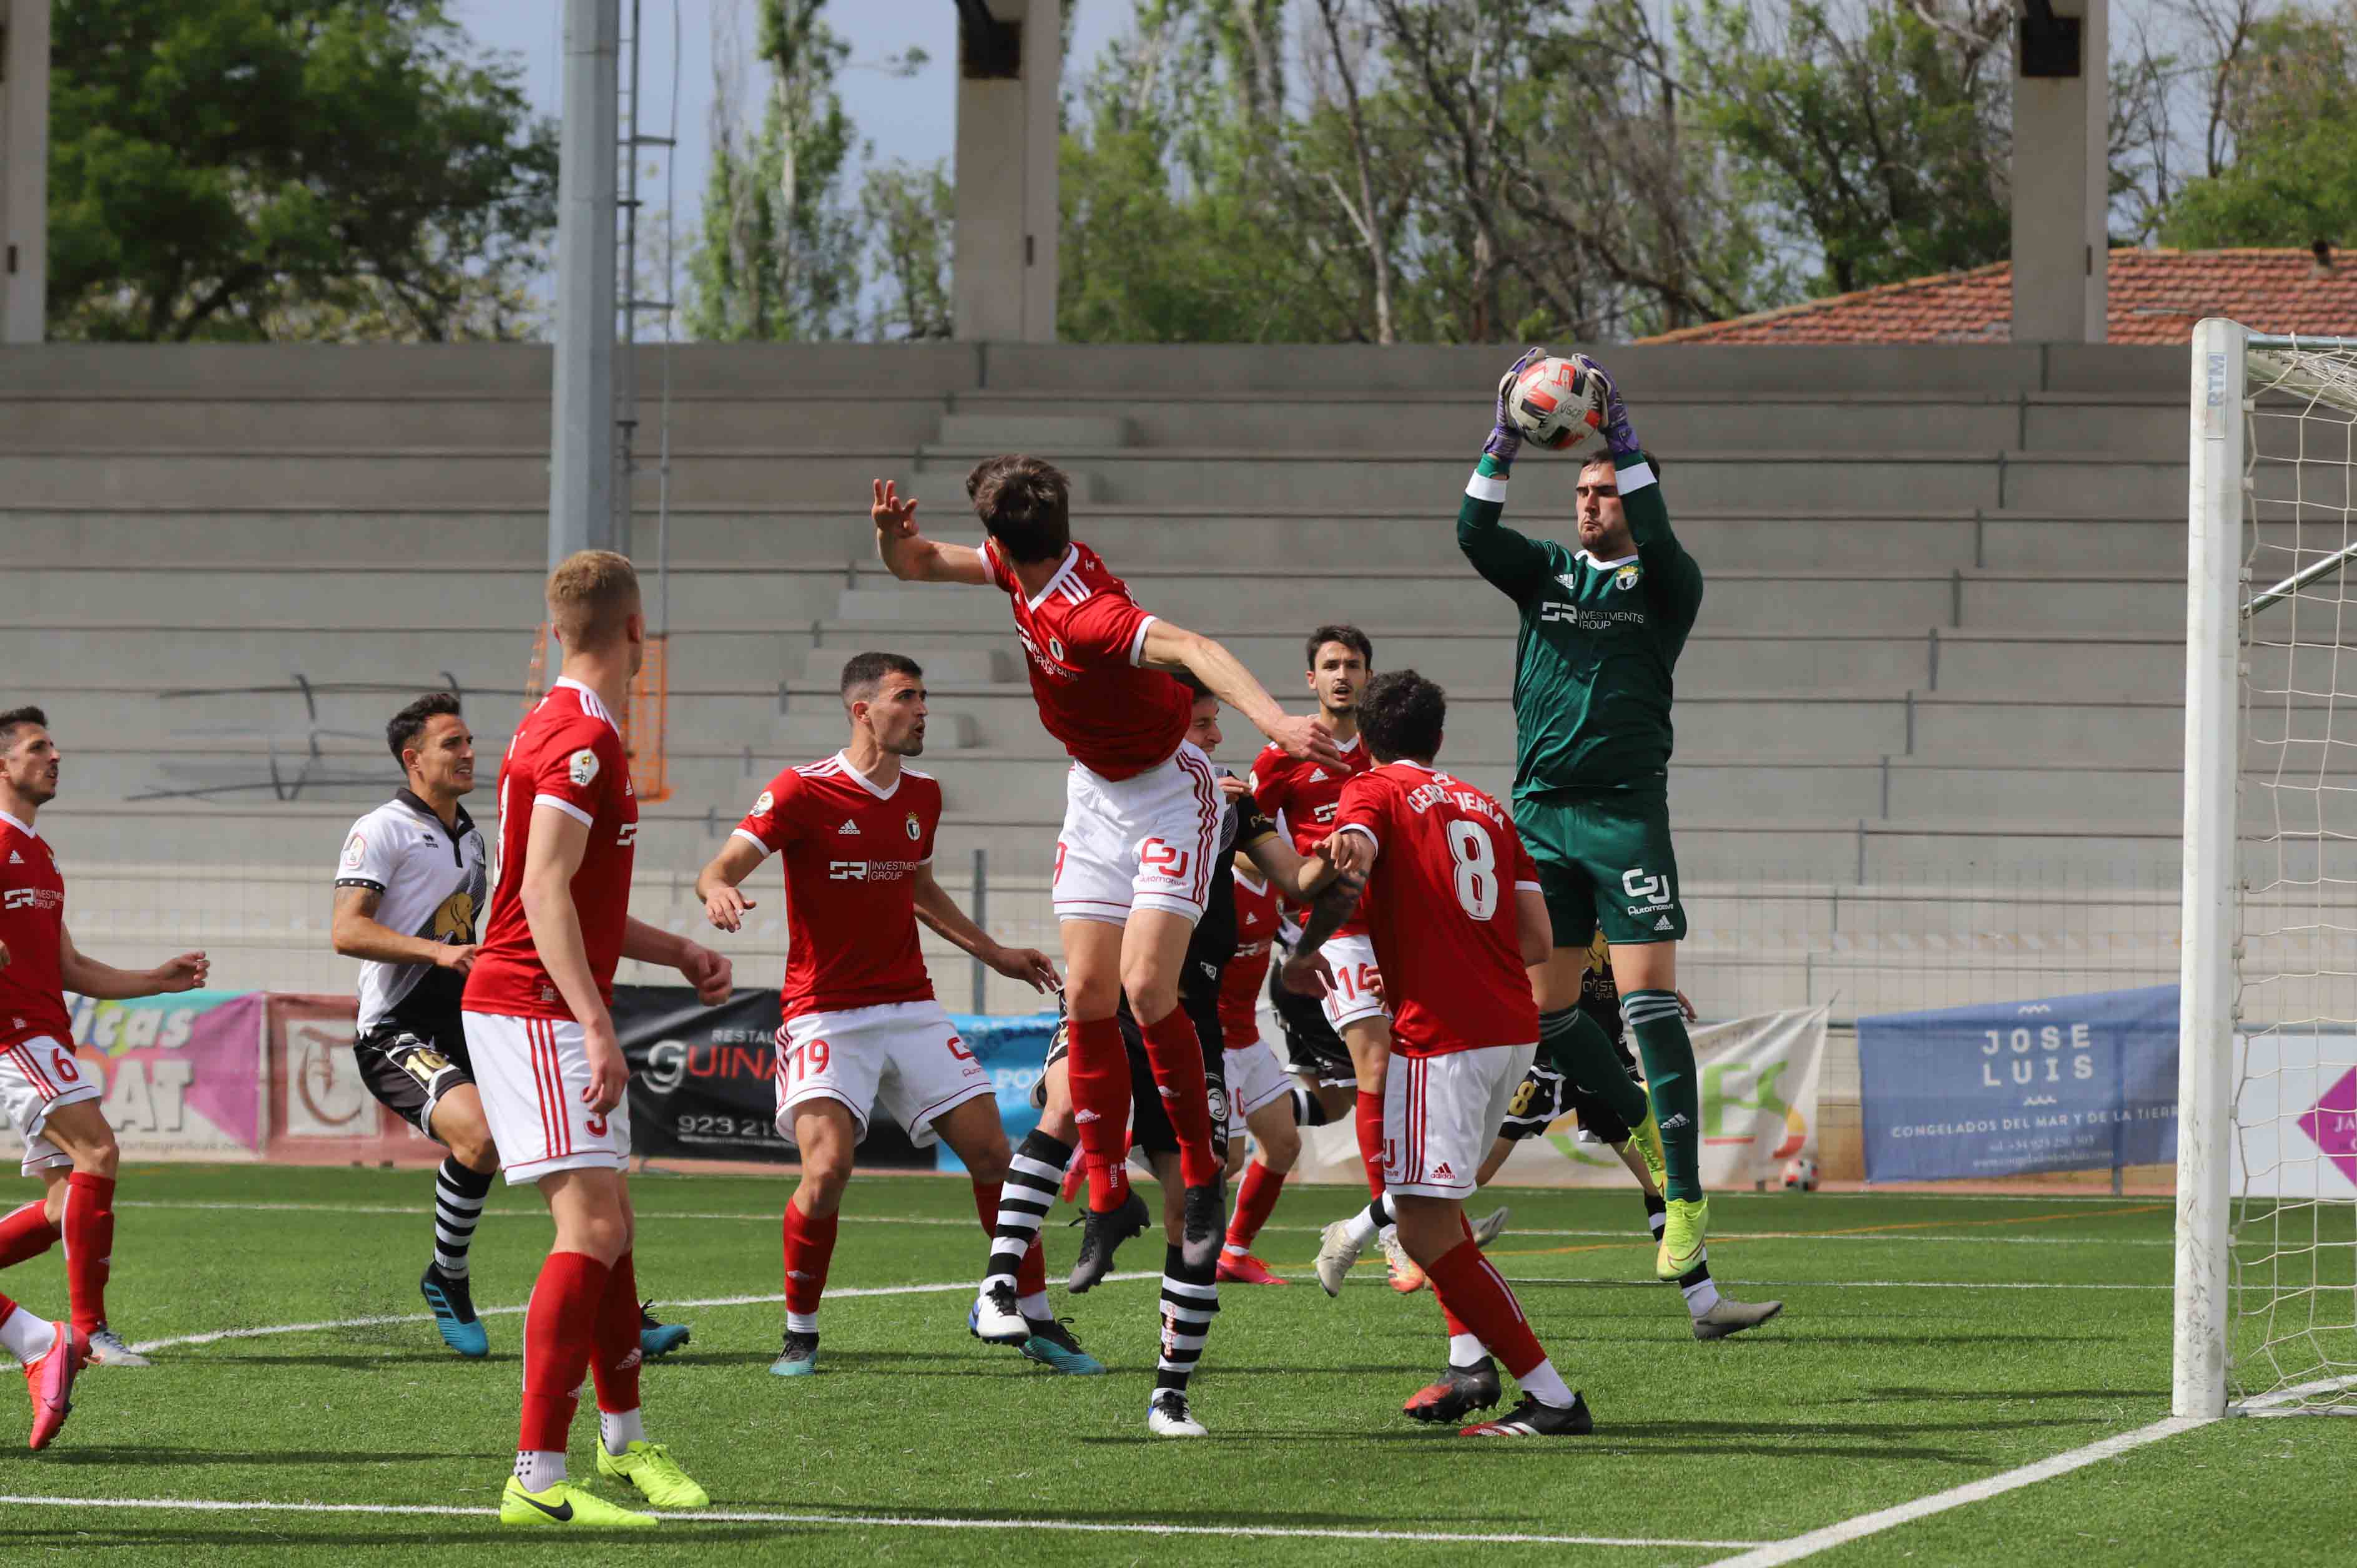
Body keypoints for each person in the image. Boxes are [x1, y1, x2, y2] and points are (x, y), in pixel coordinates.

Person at [870, 459, 1341, 1434]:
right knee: (1088, 1000)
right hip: (1095, 794)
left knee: (1143, 988)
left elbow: (1195, 645)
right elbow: (914, 564)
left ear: (999, 529)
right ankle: (1104, 1200)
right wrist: (889, 537)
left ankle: (1201, 1191)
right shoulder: (1013, 567)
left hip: (1167, 793)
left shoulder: (1086, 615)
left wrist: (1273, 725)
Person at [692, 651, 1079, 1379]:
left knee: (997, 1156)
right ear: (862, 709)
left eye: (926, 697)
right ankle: (800, 1332)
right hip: (824, 1014)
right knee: (829, 1167)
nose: (924, 709)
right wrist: (717, 891)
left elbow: (918, 888)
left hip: (910, 1005)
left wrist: (992, 951)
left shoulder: (923, 795)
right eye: (908, 697)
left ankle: (1035, 1316)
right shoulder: (801, 790)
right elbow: (718, 869)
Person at [975, 679, 1331, 1434]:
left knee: (1189, 1205)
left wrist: (1342, 848)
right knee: (1067, 1098)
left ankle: (1170, 1391)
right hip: (1113, 1006)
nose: (1206, 736)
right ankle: (1002, 1282)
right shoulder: (1122, 789)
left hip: (1188, 1013)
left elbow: (1300, 882)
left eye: (1211, 724)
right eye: (1194, 723)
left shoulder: (1230, 807)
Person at [461, 552, 734, 1528]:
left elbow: (570, 895)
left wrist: (673, 951)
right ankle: (535, 1479)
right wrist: (592, 1021)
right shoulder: (581, 740)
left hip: (536, 995)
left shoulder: (559, 724)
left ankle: (623, 1447)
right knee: (592, 1231)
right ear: (636, 633)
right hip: (532, 1004)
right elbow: (539, 891)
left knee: (611, 1230)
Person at [333, 693, 690, 1361]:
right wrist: (439, 953)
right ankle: (448, 1275)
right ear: (413, 760)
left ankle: (620, 1314)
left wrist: (680, 951)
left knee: (589, 1156)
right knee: (483, 1137)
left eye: (470, 741)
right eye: (452, 744)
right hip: (397, 1027)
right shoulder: (380, 828)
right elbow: (345, 929)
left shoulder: (476, 831)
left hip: (483, 1016)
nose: (469, 753)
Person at [1281, 670, 1593, 1436]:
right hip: (1511, 1030)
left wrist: (1303, 948)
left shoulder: (1373, 792)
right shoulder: (1487, 808)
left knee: (1423, 1230)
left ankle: (1553, 1398)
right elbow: (1536, 941)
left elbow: (1346, 863)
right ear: (1440, 738)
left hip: (1442, 1036)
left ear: (1373, 739)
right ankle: (1476, 1368)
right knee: (1435, 1219)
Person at [1460, 348, 1713, 1281]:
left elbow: (1653, 525)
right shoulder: (1545, 576)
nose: (1588, 504)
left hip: (1622, 819)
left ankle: (1681, 1196)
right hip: (1539, 817)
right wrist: (1499, 444)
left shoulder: (1666, 586)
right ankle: (1640, 1120)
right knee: (1549, 1014)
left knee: (1646, 1003)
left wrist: (1623, 444)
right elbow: (1472, 536)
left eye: (1603, 491)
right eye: (1581, 492)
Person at [0, 705, 208, 1369]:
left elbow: (69, 967)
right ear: (2, 765)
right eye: (37, 748)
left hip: (45, 1035)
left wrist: (157, 980)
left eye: (55, 747)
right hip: (12, 1037)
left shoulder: (39, 853)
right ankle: (90, 1334)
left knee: (66, 1208)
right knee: (99, 1149)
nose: (54, 757)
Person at [1477, 934, 1781, 1341]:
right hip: (1552, 1058)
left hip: (1608, 1059)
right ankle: (1396, 1228)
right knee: (1476, 1168)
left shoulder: (1601, 894)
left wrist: (1656, 987)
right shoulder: (1548, 889)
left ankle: (1704, 1305)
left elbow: (1621, 951)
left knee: (1664, 1180)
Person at [1248, 625, 1421, 1291]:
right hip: (1331, 932)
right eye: (1330, 665)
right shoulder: (1281, 758)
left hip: (1397, 930)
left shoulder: (1388, 754)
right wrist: (1303, 877)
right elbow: (1244, 845)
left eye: (1353, 665)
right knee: (1376, 1062)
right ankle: (1397, 1238)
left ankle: (1397, 1219)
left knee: (1375, 1085)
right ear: (1310, 681)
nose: (1342, 675)